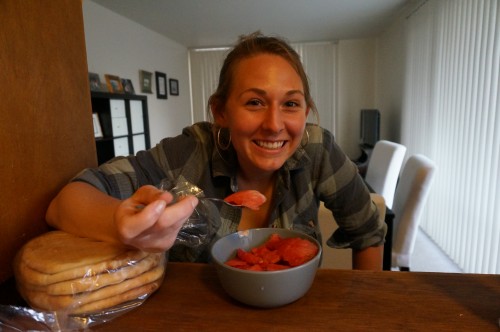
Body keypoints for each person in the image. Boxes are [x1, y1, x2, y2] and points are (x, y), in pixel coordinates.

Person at [46, 32, 386, 270]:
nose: (274, 124)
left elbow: (368, 233)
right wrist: (118, 224)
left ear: (306, 111)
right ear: (220, 112)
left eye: (291, 104)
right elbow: (66, 201)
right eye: (254, 102)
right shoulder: (189, 153)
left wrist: (364, 313)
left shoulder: (318, 149)